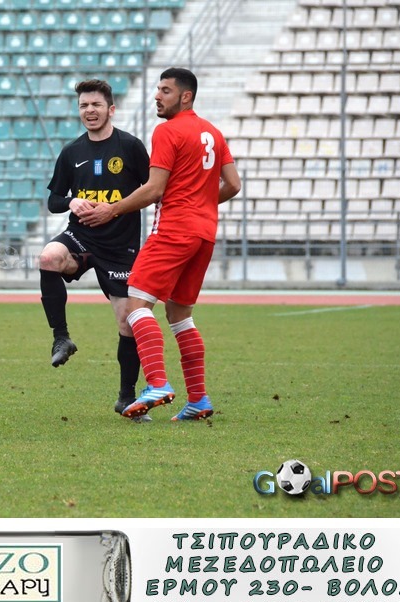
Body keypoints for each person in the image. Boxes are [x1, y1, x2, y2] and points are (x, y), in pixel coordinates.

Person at [78, 68, 241, 421]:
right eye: (157, 89)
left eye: (165, 90)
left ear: (185, 96)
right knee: (180, 315)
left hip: (173, 230)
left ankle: (157, 383)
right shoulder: (213, 133)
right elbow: (233, 184)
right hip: (204, 234)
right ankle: (198, 400)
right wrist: (200, 203)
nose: (157, 95)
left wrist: (111, 210)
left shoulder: (167, 131)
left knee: (135, 304)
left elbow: (153, 190)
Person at [40, 79, 151, 421]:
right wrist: (71, 201)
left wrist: (116, 209)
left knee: (128, 323)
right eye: (84, 106)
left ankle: (126, 398)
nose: (89, 110)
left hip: (120, 247)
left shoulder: (130, 147)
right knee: (48, 258)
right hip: (81, 238)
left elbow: (152, 189)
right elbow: (53, 200)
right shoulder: (71, 152)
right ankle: (61, 338)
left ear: (111, 109)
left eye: (96, 105)